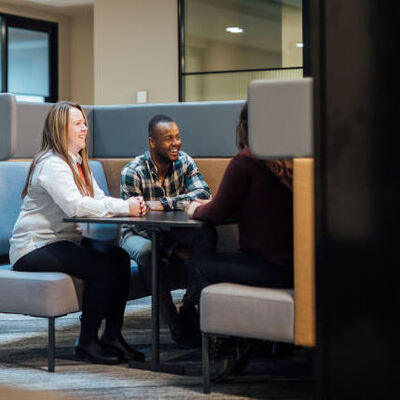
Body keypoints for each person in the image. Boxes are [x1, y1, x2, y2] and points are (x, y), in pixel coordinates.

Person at [9, 101, 147, 365]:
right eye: (78, 124)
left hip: (62, 241)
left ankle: (112, 336)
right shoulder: (52, 164)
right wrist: (124, 206)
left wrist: (126, 206)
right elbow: (77, 206)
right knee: (102, 267)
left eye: (85, 123)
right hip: (34, 246)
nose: (85, 128)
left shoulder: (76, 163)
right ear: (61, 129)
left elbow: (99, 198)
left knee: (118, 258)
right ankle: (86, 341)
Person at [184, 102, 294, 376]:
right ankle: (242, 339)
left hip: (269, 266)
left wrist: (195, 208)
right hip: (293, 266)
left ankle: (215, 340)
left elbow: (217, 212)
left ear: (244, 126)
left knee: (201, 266)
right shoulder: (290, 158)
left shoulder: (247, 160)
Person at [120, 114, 217, 346]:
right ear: (152, 142)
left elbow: (203, 193)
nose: (176, 143)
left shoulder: (184, 161)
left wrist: (165, 203)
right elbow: (138, 223)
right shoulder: (132, 172)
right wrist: (172, 250)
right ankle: (175, 324)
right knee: (148, 252)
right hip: (136, 233)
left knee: (207, 233)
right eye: (168, 139)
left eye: (178, 137)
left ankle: (189, 306)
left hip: (171, 232)